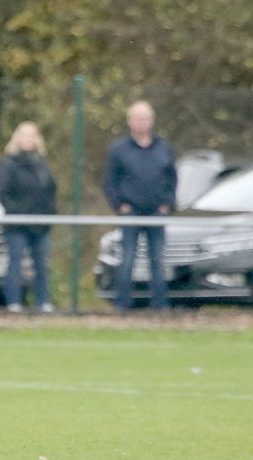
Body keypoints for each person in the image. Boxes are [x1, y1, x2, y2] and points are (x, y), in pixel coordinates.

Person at [103, 100, 176, 311]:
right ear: (129, 121)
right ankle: (123, 305)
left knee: (157, 260)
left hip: (156, 213)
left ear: (152, 121)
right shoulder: (119, 149)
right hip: (130, 213)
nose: (141, 122)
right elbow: (110, 181)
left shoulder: (163, 148)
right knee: (126, 259)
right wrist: (119, 205)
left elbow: (172, 178)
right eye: (137, 118)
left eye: (145, 118)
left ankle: (160, 306)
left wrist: (167, 204)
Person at [0, 121, 57, 314]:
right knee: (16, 262)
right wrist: (17, 212)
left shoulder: (42, 164)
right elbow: (2, 193)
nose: (28, 139)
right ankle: (14, 302)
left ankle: (43, 301)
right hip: (17, 225)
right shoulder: (9, 164)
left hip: (40, 224)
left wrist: (48, 213)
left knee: (41, 264)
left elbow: (51, 190)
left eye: (32, 135)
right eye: (24, 135)